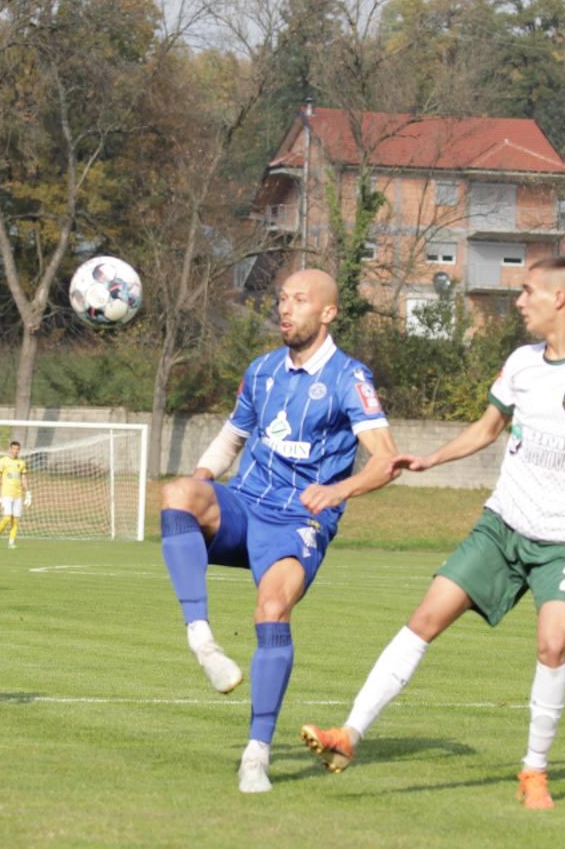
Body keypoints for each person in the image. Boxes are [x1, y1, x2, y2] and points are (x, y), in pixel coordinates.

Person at [298, 257, 565, 811]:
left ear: (560, 298)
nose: (519, 301)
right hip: (501, 525)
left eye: (527, 290)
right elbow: (489, 427)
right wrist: (432, 458)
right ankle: (350, 735)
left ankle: (534, 771)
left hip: (563, 541)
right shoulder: (522, 363)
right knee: (425, 619)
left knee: (553, 644)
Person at [159, 268, 398, 794]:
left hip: (301, 521)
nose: (286, 309)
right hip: (245, 504)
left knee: (271, 610)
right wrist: (200, 487)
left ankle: (256, 753)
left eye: (300, 300)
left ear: (328, 312)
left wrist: (339, 491)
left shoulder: (348, 378)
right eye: (282, 298)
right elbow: (231, 439)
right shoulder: (263, 369)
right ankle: (201, 638)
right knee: (177, 493)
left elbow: (386, 461)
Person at [0, 441, 29, 549]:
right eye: (14, 449)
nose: (15, 451)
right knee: (7, 517)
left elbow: (24, 479)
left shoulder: (21, 462)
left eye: (17, 449)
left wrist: (28, 493)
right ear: (10, 448)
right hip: (6, 493)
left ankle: (11, 542)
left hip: (18, 494)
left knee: (15, 520)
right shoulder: (3, 461)